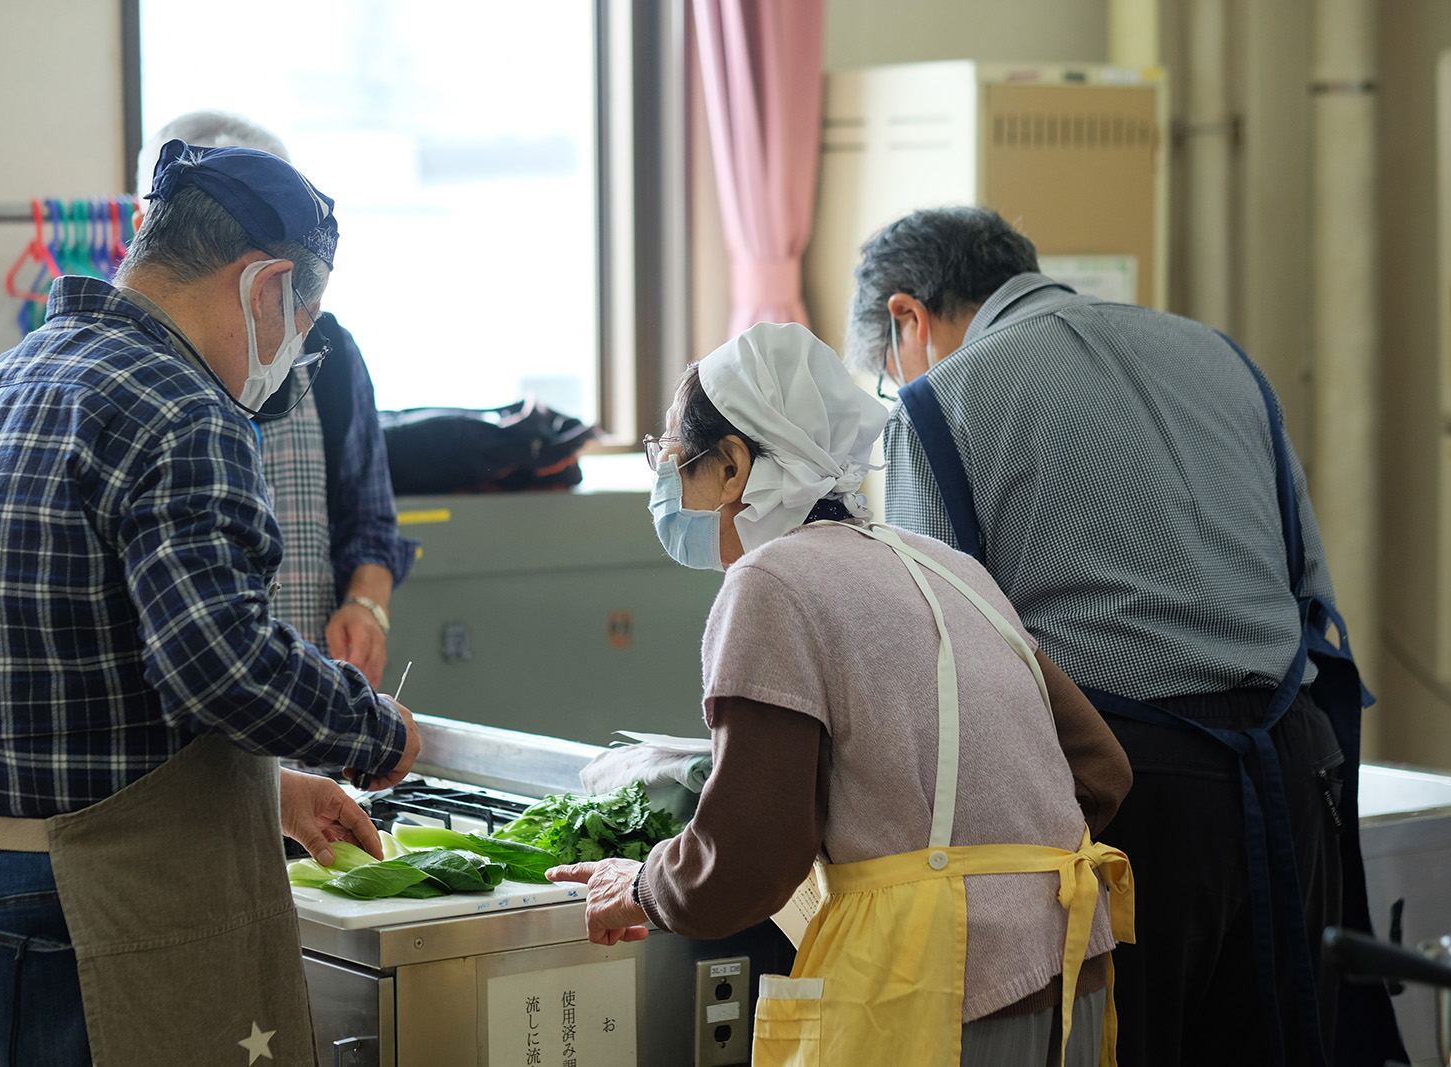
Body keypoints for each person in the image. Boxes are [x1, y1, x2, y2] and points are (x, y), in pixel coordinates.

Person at [0, 140, 419, 1066]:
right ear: (265, 286)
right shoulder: (184, 408)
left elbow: (72, 674)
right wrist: (376, 731)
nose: (294, 355)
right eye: (304, 321)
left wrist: (266, 794)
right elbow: (222, 663)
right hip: (95, 913)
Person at [845, 205, 1403, 1067]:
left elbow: (949, 674)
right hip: (1293, 780)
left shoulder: (937, 404)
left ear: (907, 318)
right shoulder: (1221, 354)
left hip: (1126, 806)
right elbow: (1308, 591)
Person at [548, 322, 1134, 1067]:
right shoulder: (944, 565)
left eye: (670, 456)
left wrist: (643, 884)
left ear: (732, 466)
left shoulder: (768, 582)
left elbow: (750, 856)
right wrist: (991, 873)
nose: (664, 478)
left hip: (936, 994)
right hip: (1070, 979)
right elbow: (1101, 769)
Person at [135, 110, 416, 690]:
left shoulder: (329, 356)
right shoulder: (154, 394)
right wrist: (368, 731)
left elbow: (370, 521)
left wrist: (367, 607)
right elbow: (211, 656)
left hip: (302, 701)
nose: (286, 331)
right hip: (204, 739)